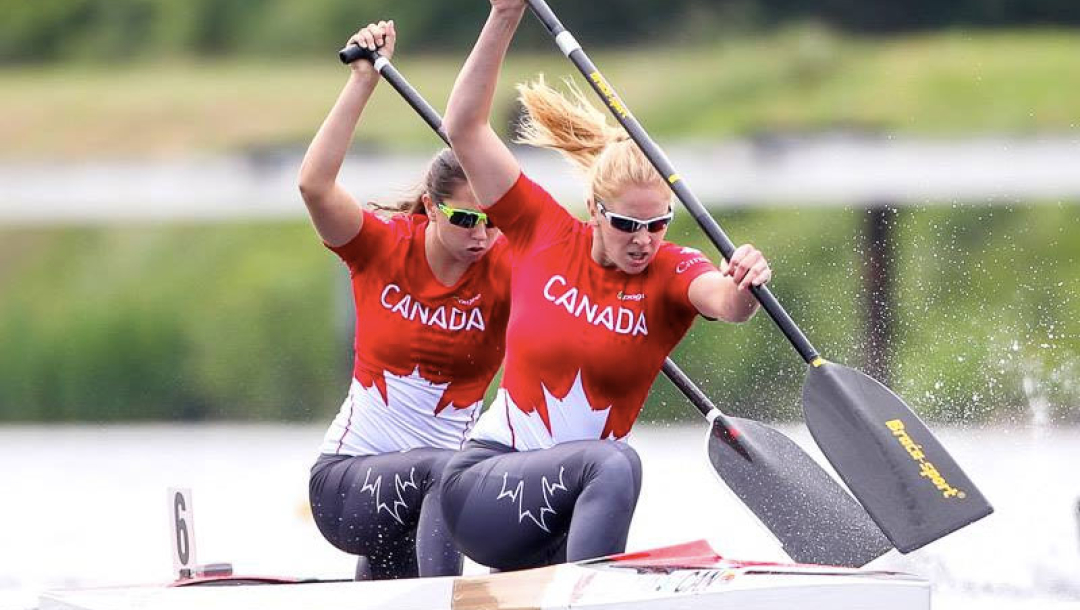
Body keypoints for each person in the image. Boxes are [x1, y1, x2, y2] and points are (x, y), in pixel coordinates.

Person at [438, 0, 773, 572]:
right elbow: (464, 127)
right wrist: (503, 15)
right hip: (482, 489)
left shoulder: (672, 272)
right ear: (595, 209)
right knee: (615, 463)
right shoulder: (542, 229)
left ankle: (572, 587)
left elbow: (729, 303)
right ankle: (594, 596)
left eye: (657, 224)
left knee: (607, 465)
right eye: (625, 224)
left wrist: (744, 279)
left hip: (554, 515)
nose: (642, 241)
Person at [298, 20, 510, 580]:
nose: (481, 236)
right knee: (450, 472)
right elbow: (314, 186)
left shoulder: (508, 265)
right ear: (433, 208)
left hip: (427, 502)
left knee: (485, 476)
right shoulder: (381, 247)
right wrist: (363, 81)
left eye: (493, 220)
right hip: (346, 482)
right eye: (466, 219)